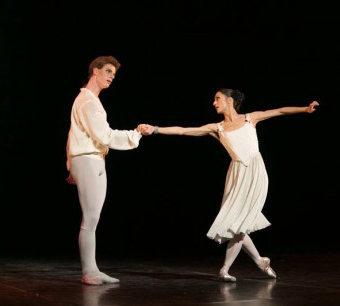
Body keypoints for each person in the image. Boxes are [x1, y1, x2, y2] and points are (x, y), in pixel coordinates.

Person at [151, 88, 319, 282]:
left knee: (239, 224)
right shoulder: (217, 127)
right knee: (237, 224)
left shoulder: (250, 118)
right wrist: (155, 129)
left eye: (217, 99)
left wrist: (304, 109)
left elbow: (279, 111)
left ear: (230, 101)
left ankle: (225, 269)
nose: (214, 103)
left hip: (255, 173)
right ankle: (259, 260)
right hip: (236, 175)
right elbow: (183, 130)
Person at [65, 55, 154, 285]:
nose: (111, 77)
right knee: (91, 218)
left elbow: (71, 134)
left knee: (92, 217)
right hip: (88, 159)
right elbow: (104, 135)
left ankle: (92, 269)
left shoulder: (87, 100)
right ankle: (89, 271)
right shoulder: (87, 101)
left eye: (113, 74)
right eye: (107, 72)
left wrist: (70, 164)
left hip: (88, 159)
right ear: (95, 70)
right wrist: (136, 134)